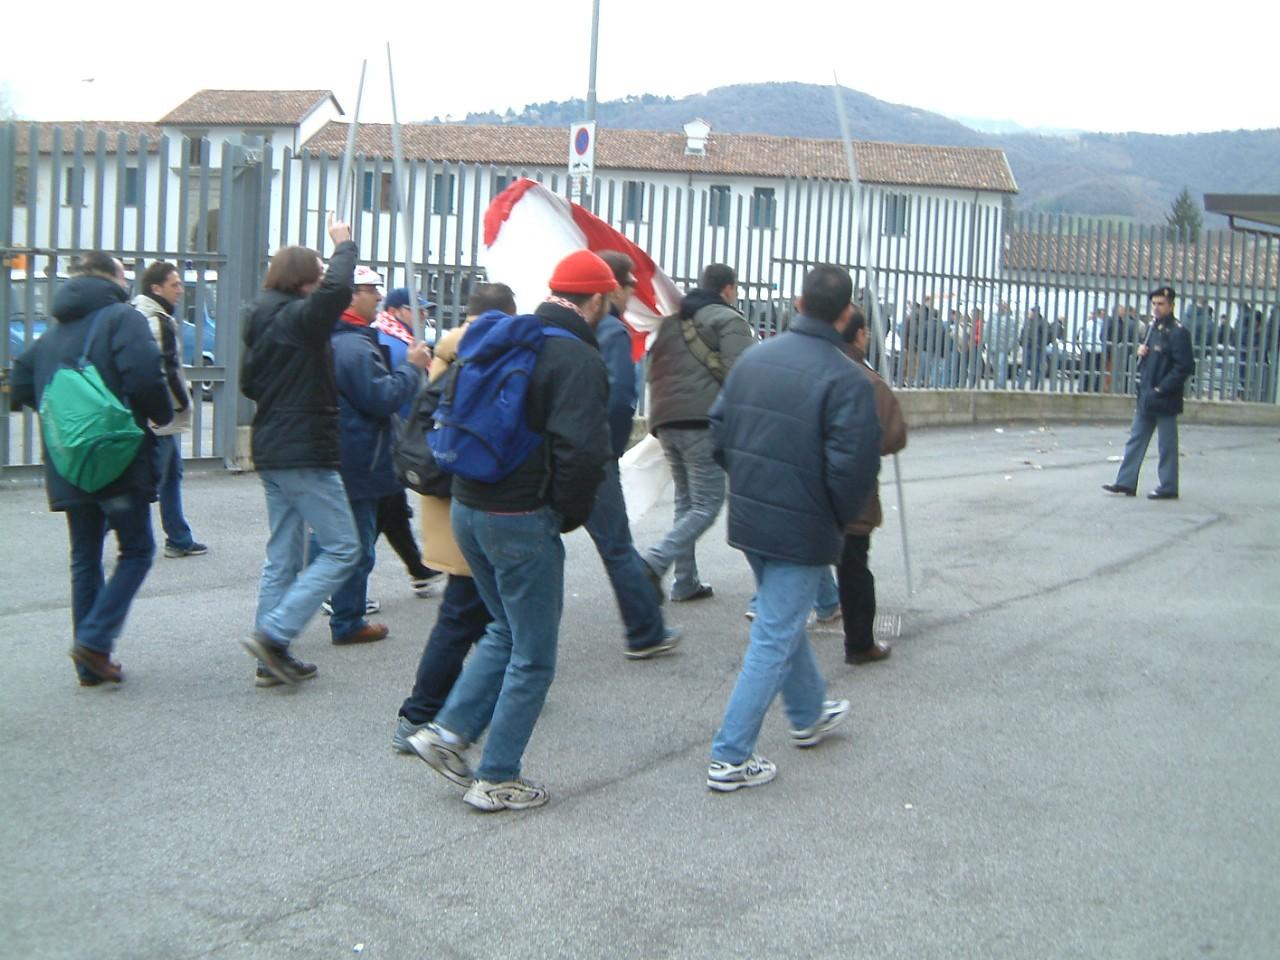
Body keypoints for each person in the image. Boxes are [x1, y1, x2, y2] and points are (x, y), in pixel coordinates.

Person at [407, 250, 611, 812]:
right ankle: (496, 776)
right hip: (519, 517)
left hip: (468, 505)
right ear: (595, 300)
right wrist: (562, 514)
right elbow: (583, 451)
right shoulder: (577, 358)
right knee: (535, 653)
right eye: (609, 302)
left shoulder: (508, 336)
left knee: (504, 628)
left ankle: (444, 733)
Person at [705, 264, 881, 792]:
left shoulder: (755, 357)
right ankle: (730, 757)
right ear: (847, 313)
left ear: (799, 302)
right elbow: (853, 469)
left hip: (752, 512)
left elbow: (719, 430)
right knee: (775, 631)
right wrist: (833, 516)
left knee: (782, 620)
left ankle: (807, 714)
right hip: (803, 525)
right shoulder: (847, 378)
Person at [10, 252, 173, 685]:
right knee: (136, 550)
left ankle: (89, 662)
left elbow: (22, 382)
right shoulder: (123, 318)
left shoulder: (56, 330)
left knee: (84, 556)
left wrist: (68, 414)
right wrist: (158, 415)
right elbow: (143, 376)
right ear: (114, 278)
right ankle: (96, 639)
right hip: (115, 455)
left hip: (69, 459)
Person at [391, 284, 518, 753]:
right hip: (474, 501)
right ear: (506, 315)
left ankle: (494, 691)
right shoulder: (491, 355)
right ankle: (418, 714)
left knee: (486, 612)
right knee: (465, 613)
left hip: (443, 500)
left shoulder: (443, 353)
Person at [239, 214, 364, 686]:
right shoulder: (297, 319)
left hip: (272, 448)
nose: (322, 285)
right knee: (343, 547)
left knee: (284, 556)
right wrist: (343, 245)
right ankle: (274, 635)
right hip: (303, 452)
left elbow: (252, 384)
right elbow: (336, 294)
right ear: (304, 281)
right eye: (317, 276)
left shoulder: (261, 320)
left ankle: (270, 659)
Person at [314, 265, 431, 646]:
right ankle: (346, 619)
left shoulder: (346, 339)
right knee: (356, 546)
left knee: (342, 540)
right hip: (360, 456)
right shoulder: (351, 345)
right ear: (350, 295)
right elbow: (382, 397)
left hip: (355, 453)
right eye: (371, 289)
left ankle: (332, 610)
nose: (378, 296)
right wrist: (413, 371)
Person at [642, 263, 754, 603]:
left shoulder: (670, 322)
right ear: (729, 288)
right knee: (707, 502)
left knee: (687, 501)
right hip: (701, 421)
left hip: (664, 420)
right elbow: (742, 375)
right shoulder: (730, 320)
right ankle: (654, 560)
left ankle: (685, 581)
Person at [588, 250, 682, 658]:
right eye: (630, 287)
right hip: (593, 456)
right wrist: (610, 447)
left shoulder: (571, 325)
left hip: (556, 451)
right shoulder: (612, 331)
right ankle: (645, 630)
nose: (632, 295)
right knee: (617, 544)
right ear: (615, 288)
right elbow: (622, 397)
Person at [837, 305, 908, 664]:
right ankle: (860, 641)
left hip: (802, 490)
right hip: (851, 492)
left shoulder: (806, 365)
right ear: (861, 334)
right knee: (853, 568)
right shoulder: (869, 382)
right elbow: (892, 436)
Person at [370, 287, 443, 598]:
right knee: (377, 512)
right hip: (392, 439)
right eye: (419, 309)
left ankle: (418, 569)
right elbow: (405, 395)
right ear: (399, 310)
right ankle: (339, 589)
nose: (425, 315)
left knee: (393, 508)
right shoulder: (398, 345)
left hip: (390, 438)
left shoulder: (394, 338)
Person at [132, 260, 207, 558]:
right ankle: (112, 528)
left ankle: (178, 536)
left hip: (160, 415)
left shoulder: (145, 315)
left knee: (169, 474)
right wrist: (181, 404)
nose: (180, 290)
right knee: (152, 479)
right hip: (162, 416)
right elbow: (165, 370)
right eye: (175, 284)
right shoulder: (157, 320)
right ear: (156, 288)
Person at [1103, 286, 1194, 501]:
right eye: (1153, 303)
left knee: (1167, 444)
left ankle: (1168, 485)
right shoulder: (1153, 328)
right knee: (1135, 439)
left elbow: (1184, 367)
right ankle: (1125, 481)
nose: (1156, 308)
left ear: (1171, 305)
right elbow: (1151, 361)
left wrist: (1162, 388)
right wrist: (1142, 354)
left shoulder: (1178, 332)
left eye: (1161, 304)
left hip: (1165, 396)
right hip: (1147, 394)